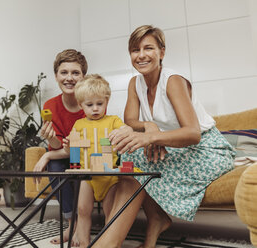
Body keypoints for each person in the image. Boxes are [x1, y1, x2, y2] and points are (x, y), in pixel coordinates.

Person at [96, 25, 236, 248]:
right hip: (175, 146)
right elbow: (130, 121)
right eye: (135, 50)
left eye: (148, 48)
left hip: (207, 150)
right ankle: (153, 223)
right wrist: (149, 126)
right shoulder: (135, 83)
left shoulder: (173, 81)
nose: (141, 55)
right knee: (132, 157)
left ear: (162, 52)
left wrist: (151, 138)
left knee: (140, 160)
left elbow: (192, 133)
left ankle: (109, 243)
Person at [32, 49, 87, 245]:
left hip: (85, 154)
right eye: (64, 72)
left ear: (83, 77)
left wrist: (46, 156)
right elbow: (56, 146)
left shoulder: (91, 103)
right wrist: (52, 139)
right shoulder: (50, 105)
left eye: (75, 73)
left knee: (65, 165)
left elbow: (81, 149)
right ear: (56, 76)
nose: (69, 78)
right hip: (61, 155)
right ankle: (72, 225)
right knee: (57, 168)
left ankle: (80, 227)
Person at [67, 74, 126, 247]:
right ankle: (84, 243)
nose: (95, 109)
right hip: (87, 176)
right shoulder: (78, 125)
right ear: (80, 105)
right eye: (89, 105)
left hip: (109, 176)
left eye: (99, 104)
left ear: (107, 101)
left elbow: (125, 130)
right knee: (83, 211)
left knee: (111, 212)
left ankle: (110, 243)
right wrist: (68, 147)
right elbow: (73, 150)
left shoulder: (113, 120)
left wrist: (125, 130)